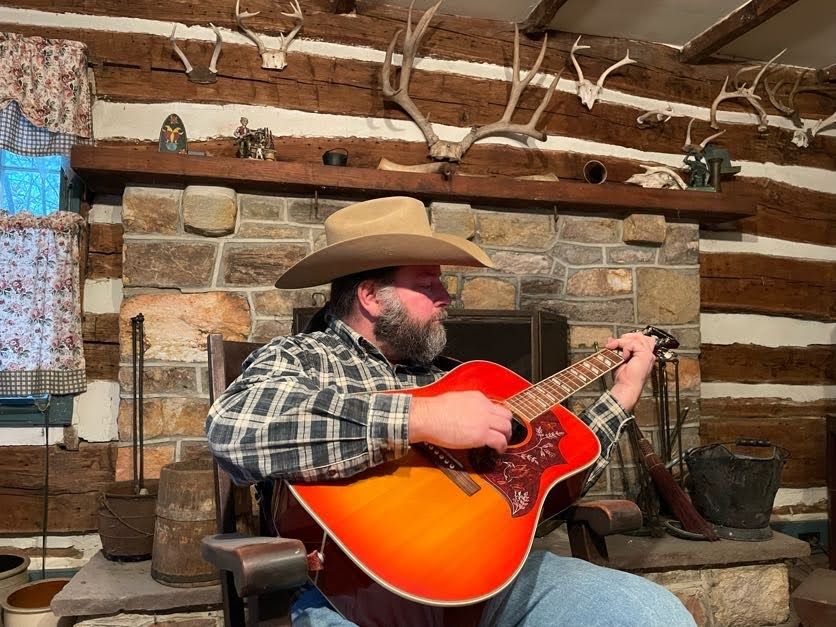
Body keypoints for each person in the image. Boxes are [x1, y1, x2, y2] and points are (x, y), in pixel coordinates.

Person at [206, 197, 695, 626]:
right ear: (372, 297)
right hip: (353, 597)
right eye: (428, 284)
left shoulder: (462, 377)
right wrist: (422, 420)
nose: (446, 297)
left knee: (653, 615)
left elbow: (552, 473)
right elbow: (235, 429)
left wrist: (620, 397)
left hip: (493, 582)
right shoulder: (302, 357)